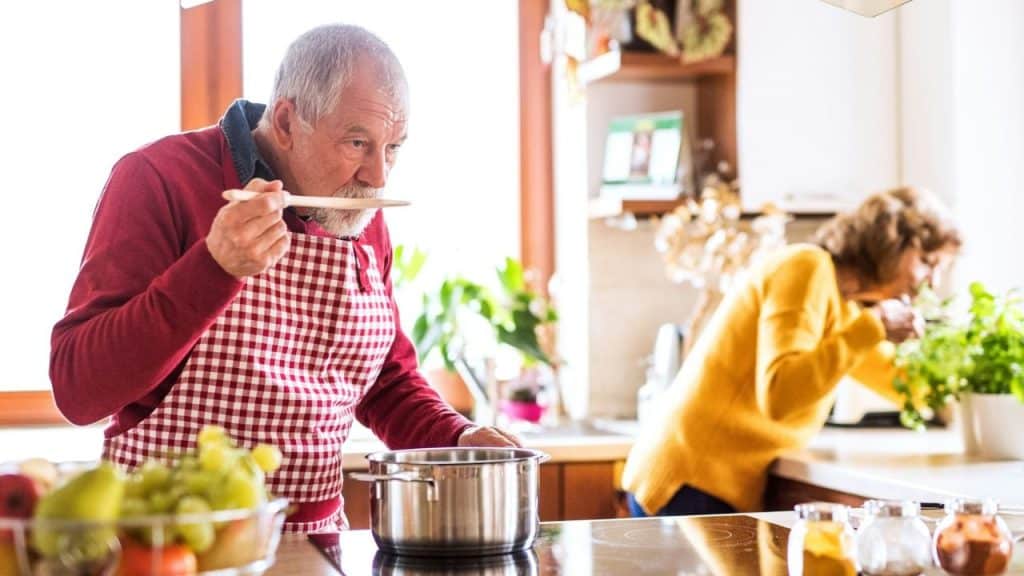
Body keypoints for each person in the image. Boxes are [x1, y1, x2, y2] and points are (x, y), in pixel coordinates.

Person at [49, 24, 518, 533]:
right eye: (357, 141)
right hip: (165, 541)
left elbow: (386, 381)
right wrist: (213, 268)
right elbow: (78, 389)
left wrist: (459, 438)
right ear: (288, 120)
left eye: (394, 148)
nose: (377, 176)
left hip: (316, 544)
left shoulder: (357, 211)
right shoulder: (157, 178)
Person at [622, 187, 961, 517]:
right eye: (928, 262)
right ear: (892, 244)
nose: (930, 281)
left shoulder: (848, 311)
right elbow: (779, 395)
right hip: (689, 481)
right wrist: (873, 325)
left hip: (704, 485)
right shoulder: (806, 267)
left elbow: (904, 382)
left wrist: (972, 377)